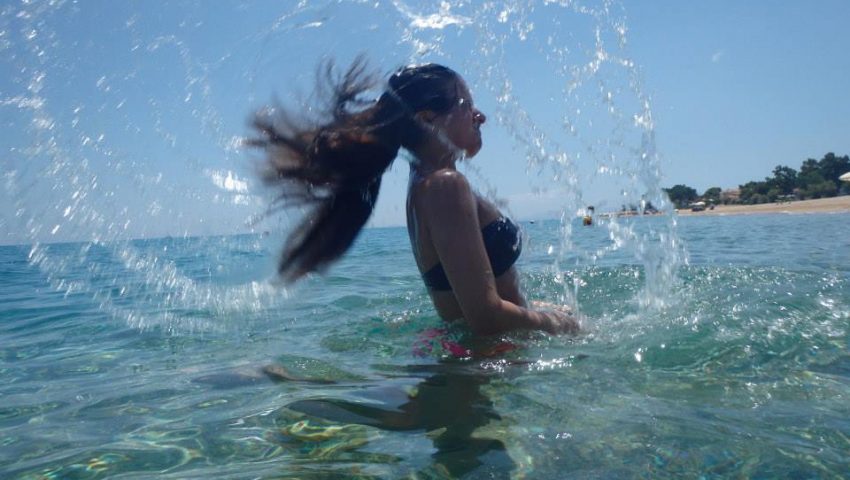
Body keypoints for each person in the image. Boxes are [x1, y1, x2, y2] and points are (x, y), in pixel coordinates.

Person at [249, 59, 578, 336]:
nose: (480, 116)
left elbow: (470, 302)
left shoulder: (424, 186)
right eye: (466, 105)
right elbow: (485, 317)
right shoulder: (445, 186)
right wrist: (560, 325)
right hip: (483, 369)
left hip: (474, 361)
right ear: (428, 119)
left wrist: (536, 308)